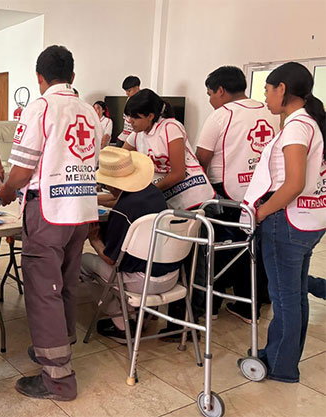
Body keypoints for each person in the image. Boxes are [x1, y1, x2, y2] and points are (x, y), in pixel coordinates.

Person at [0, 45, 102, 401]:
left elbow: (22, 170)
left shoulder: (40, 107)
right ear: (72, 76)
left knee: (43, 292)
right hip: (81, 212)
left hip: (49, 212)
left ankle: (58, 378)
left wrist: (6, 191)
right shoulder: (89, 112)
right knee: (65, 285)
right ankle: (59, 343)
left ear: (39, 77)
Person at [241, 62, 326, 383]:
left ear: (282, 89)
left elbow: (294, 183)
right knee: (295, 295)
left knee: (285, 298)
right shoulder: (309, 122)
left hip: (287, 221)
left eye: (267, 89)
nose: (265, 97)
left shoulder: (296, 127)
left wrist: (262, 212)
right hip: (309, 220)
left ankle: (280, 365)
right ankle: (282, 357)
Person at [194, 66, 278, 322]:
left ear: (220, 90)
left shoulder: (221, 116)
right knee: (255, 248)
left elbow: (201, 159)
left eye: (210, 94)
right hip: (264, 193)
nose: (210, 100)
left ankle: (211, 306)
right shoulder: (270, 111)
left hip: (227, 195)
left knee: (221, 249)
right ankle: (251, 304)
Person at [81, 147, 179, 342]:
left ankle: (123, 322)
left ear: (112, 184)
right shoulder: (154, 194)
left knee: (82, 263)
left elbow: (111, 259)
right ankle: (142, 313)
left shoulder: (123, 212)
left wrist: (94, 240)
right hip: (171, 275)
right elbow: (117, 200)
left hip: (142, 281)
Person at [122, 88, 214, 209]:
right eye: (129, 116)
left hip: (194, 197)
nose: (130, 121)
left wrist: (146, 193)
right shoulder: (137, 134)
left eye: (135, 117)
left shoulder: (170, 128)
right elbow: (120, 158)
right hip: (169, 198)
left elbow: (178, 174)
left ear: (150, 116)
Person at [117, 75, 141, 144]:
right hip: (125, 134)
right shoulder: (129, 98)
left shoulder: (143, 100)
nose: (127, 93)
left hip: (136, 135)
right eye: (126, 91)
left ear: (137, 88)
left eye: (129, 91)